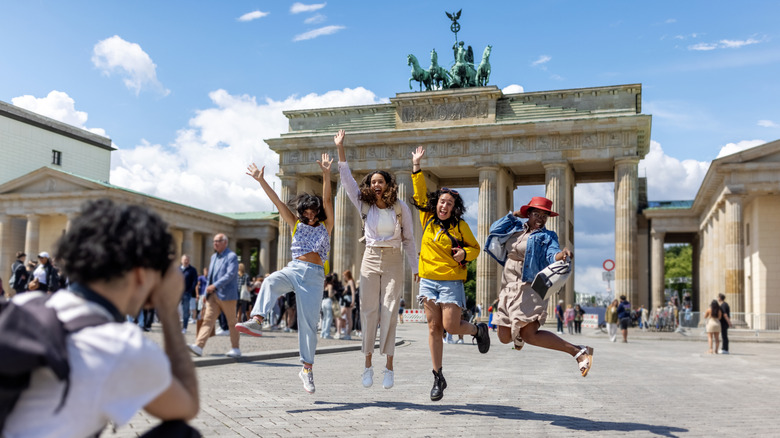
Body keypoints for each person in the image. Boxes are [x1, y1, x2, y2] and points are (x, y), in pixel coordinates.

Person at [3, 198, 199, 437]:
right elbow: (186, 405)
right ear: (141, 273)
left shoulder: (24, 303)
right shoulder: (120, 345)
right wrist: (168, 311)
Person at [235, 153, 333, 394]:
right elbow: (278, 202)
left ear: (317, 211)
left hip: (315, 275)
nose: (309, 215)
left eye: (312, 212)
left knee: (309, 325)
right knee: (270, 280)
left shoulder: (326, 226)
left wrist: (326, 173)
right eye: (305, 212)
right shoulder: (295, 224)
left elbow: (329, 200)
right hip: (294, 268)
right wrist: (261, 181)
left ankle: (307, 369)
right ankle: (257, 320)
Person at [334, 130, 419, 390]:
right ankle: (367, 365)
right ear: (369, 186)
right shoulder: (363, 204)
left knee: (390, 310)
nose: (376, 185)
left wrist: (416, 267)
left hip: (394, 259)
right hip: (370, 257)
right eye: (373, 182)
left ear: (388, 184)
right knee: (369, 310)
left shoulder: (400, 207)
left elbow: (409, 239)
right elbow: (347, 180)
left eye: (380, 181)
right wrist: (341, 150)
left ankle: (389, 367)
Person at [411, 145, 490, 401]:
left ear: (454, 207)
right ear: (436, 204)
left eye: (449, 203)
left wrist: (463, 255)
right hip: (428, 281)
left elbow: (476, 248)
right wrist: (416, 167)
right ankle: (438, 376)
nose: (444, 206)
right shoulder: (427, 219)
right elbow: (420, 193)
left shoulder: (460, 226)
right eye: (441, 201)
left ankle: (478, 330)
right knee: (434, 329)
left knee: (451, 327)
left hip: (451, 281)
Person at [484, 196, 593, 379]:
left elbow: (552, 254)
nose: (541, 218)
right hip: (509, 284)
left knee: (530, 335)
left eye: (545, 215)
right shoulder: (515, 229)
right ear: (529, 214)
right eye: (536, 214)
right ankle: (517, 333)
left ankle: (578, 352)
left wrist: (561, 255)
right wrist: (515, 215)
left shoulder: (547, 236)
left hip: (530, 286)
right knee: (503, 337)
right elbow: (494, 230)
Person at [188, 233, 241, 358]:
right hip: (213, 296)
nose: (215, 243)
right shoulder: (213, 257)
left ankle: (235, 348)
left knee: (232, 323)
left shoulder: (232, 256)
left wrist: (215, 285)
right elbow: (210, 277)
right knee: (207, 320)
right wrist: (206, 293)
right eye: (214, 241)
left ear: (225, 242)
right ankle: (199, 346)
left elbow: (230, 275)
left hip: (227, 295)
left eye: (218, 241)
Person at [180, 254, 198, 334]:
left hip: (187, 293)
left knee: (186, 311)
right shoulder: (177, 269)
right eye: (184, 259)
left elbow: (195, 281)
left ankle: (184, 327)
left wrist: (190, 290)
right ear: (181, 260)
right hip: (176, 293)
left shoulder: (192, 270)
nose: (186, 261)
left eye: (187, 259)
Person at [342, 270, 356, 335]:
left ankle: (348, 333)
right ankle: (345, 331)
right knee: (341, 315)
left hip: (349, 299)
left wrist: (353, 301)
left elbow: (353, 292)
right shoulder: (348, 282)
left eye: (344, 276)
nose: (343, 277)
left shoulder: (350, 281)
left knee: (349, 317)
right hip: (346, 299)